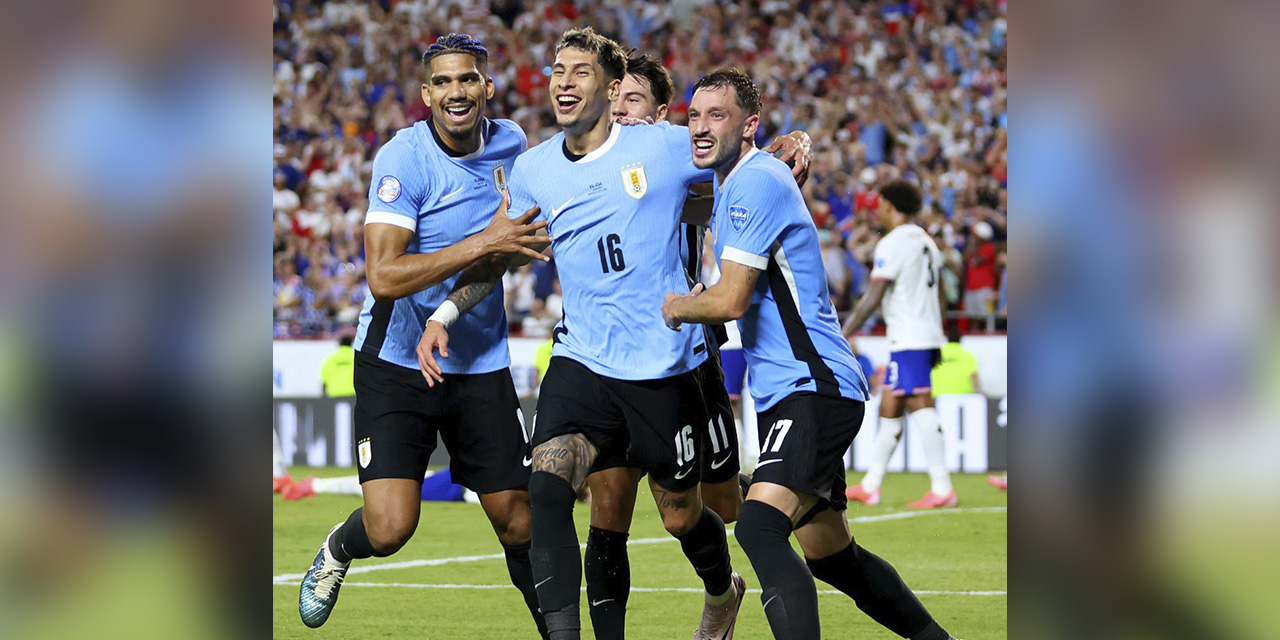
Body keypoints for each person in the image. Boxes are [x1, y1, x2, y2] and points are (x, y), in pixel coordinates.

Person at [418, 28, 749, 640]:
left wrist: (787, 147)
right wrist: (443, 315)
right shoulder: (535, 168)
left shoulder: (663, 148)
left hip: (660, 366)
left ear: (611, 85)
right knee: (546, 488)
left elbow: (740, 166)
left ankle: (721, 590)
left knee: (681, 516)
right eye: (557, 70)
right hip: (581, 361)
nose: (563, 82)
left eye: (580, 71)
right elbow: (499, 253)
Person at [660, 68, 957, 640]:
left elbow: (732, 298)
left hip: (813, 384)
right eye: (693, 115)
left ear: (748, 124)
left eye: (715, 115)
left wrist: (676, 306)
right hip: (790, 391)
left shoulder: (756, 181)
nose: (699, 127)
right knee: (831, 556)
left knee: (759, 529)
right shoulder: (734, 183)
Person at [296, 34, 552, 636]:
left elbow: (514, 246)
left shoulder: (514, 145)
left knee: (519, 520)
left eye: (468, 79)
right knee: (389, 528)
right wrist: (485, 241)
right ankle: (339, 547)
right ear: (426, 93)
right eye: (444, 82)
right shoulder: (402, 159)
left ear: (487, 86)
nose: (457, 92)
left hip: (479, 358)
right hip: (393, 360)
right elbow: (384, 277)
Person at [841, 178, 957, 509]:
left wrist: (843, 331)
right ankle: (872, 485)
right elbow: (942, 294)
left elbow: (873, 296)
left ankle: (942, 487)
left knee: (920, 401)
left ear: (889, 206)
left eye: (878, 205)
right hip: (923, 333)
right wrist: (939, 330)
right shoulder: (925, 241)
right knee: (890, 406)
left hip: (910, 336)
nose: (876, 211)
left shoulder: (892, 243)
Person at [931, 326, 980, 396]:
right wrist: (977, 392)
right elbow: (974, 376)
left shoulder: (937, 354)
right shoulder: (967, 355)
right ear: (960, 339)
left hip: (939, 395)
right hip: (963, 395)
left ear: (947, 339)